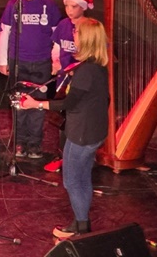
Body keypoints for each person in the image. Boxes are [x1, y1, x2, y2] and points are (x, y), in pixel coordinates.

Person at [19, 17, 109, 239]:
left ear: (86, 39)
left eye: (77, 32)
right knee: (82, 177)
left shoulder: (86, 71)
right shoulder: (95, 67)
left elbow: (68, 104)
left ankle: (80, 227)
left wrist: (36, 104)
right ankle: (81, 222)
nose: (73, 34)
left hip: (82, 133)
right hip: (91, 131)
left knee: (72, 181)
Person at [0, 0, 62, 160]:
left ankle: (35, 144)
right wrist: (2, 60)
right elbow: (5, 32)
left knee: (36, 105)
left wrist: (55, 60)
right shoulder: (13, 4)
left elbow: (56, 35)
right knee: (19, 103)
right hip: (18, 61)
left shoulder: (49, 5)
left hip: (41, 62)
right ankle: (20, 142)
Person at [44, 0, 95, 172]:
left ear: (83, 7)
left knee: (78, 119)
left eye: (74, 6)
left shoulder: (90, 27)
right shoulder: (63, 25)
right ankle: (63, 154)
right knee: (63, 118)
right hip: (63, 79)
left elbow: (95, 54)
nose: (70, 10)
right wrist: (55, 63)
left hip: (80, 80)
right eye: (67, 6)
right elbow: (57, 47)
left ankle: (80, 156)